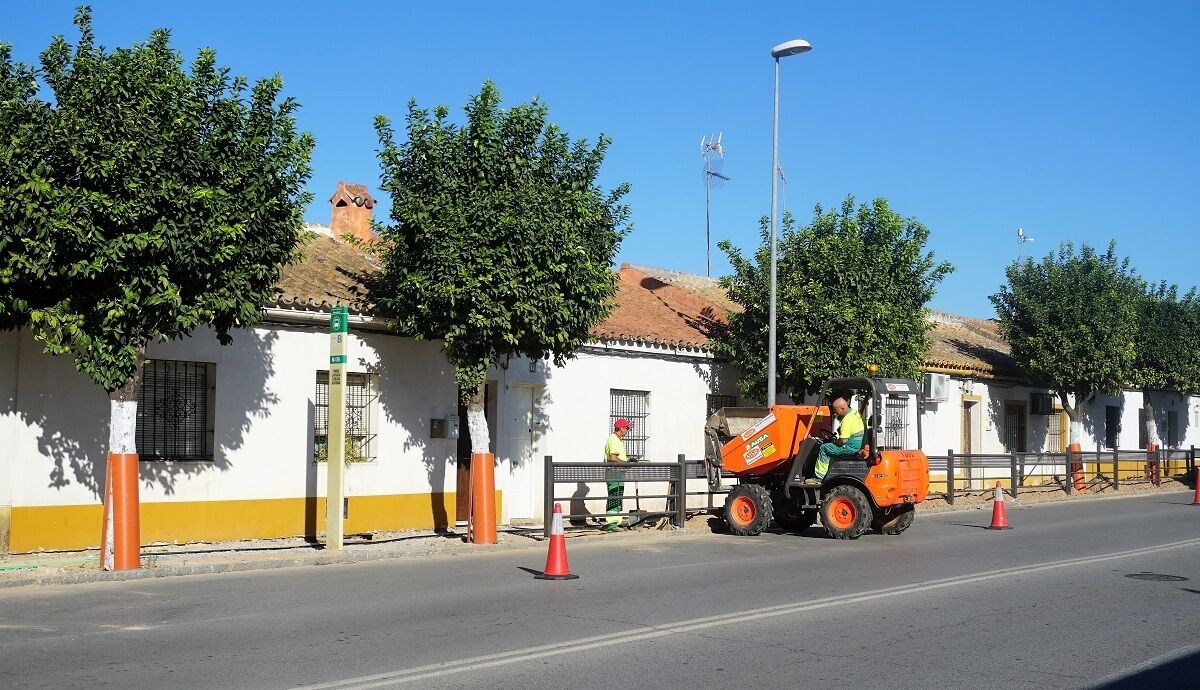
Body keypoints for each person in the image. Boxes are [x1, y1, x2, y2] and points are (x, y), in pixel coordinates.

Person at [815, 396, 864, 480]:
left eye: (835, 410)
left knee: (824, 448)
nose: (834, 412)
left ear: (842, 408)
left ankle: (820, 477)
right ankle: (830, 472)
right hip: (856, 445)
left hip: (850, 447)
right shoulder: (854, 413)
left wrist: (835, 441)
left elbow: (843, 440)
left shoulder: (847, 419)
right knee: (831, 448)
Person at [603, 418, 631, 532]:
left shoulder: (618, 440)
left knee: (617, 496)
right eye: (627, 428)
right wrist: (626, 463)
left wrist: (628, 461)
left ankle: (615, 521)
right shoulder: (614, 439)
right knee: (614, 496)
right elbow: (613, 457)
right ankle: (611, 523)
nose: (627, 430)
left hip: (618, 472)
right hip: (614, 472)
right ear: (621, 428)